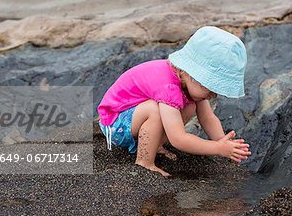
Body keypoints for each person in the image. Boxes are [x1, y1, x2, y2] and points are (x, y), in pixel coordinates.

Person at [97, 26, 251, 176]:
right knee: (154, 110)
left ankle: (154, 144)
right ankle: (144, 162)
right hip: (114, 124)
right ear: (190, 73)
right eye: (210, 88)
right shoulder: (168, 87)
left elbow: (208, 118)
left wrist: (222, 142)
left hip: (135, 116)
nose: (213, 95)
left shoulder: (189, 84)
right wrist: (217, 148)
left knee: (189, 107)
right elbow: (178, 139)